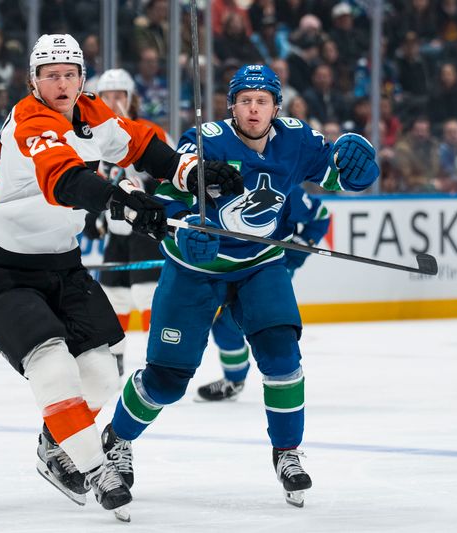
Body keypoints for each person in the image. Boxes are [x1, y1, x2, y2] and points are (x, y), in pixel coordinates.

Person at [0, 34, 243, 518]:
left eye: (68, 74)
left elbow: (142, 146)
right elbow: (63, 179)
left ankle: (56, 443)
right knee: (53, 366)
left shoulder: (92, 111)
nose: (60, 84)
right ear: (33, 81)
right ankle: (94, 468)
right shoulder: (29, 119)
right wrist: (120, 200)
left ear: (82, 78)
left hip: (59, 261)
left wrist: (193, 172)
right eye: (49, 75)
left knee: (102, 375)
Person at [103, 64, 379, 508]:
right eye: (245, 101)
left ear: (276, 106)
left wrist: (356, 174)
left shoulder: (296, 138)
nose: (253, 109)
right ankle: (117, 438)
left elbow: (331, 175)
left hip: (259, 263)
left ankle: (287, 452)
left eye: (262, 101)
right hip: (196, 267)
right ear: (232, 105)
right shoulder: (205, 140)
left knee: (282, 356)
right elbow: (170, 203)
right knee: (167, 380)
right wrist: (181, 231)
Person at [196, 187, 330, 401]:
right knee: (224, 329)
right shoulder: (221, 183)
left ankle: (245, 380)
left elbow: (321, 215)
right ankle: (234, 380)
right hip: (230, 268)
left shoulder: (287, 188)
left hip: (267, 270)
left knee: (232, 326)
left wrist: (300, 247)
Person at [94, 67, 171, 377]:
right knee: (114, 295)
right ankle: (115, 358)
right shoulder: (90, 134)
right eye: (106, 96)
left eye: (119, 96)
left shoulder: (149, 131)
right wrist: (94, 218)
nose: (113, 102)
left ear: (132, 98)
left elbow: (171, 174)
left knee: (146, 291)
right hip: (114, 227)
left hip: (143, 224)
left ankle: (161, 357)